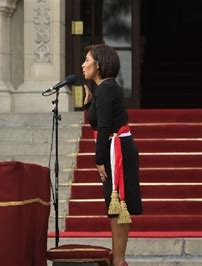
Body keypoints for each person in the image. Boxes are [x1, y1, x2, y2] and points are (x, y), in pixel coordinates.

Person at [82, 44, 142, 266]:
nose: (83, 65)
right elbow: (99, 122)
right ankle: (119, 260)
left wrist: (98, 160)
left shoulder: (106, 89)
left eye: (87, 60)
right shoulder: (103, 89)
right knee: (115, 206)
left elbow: (105, 126)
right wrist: (90, 102)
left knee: (119, 206)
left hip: (116, 149)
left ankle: (119, 261)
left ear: (98, 65)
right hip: (114, 147)